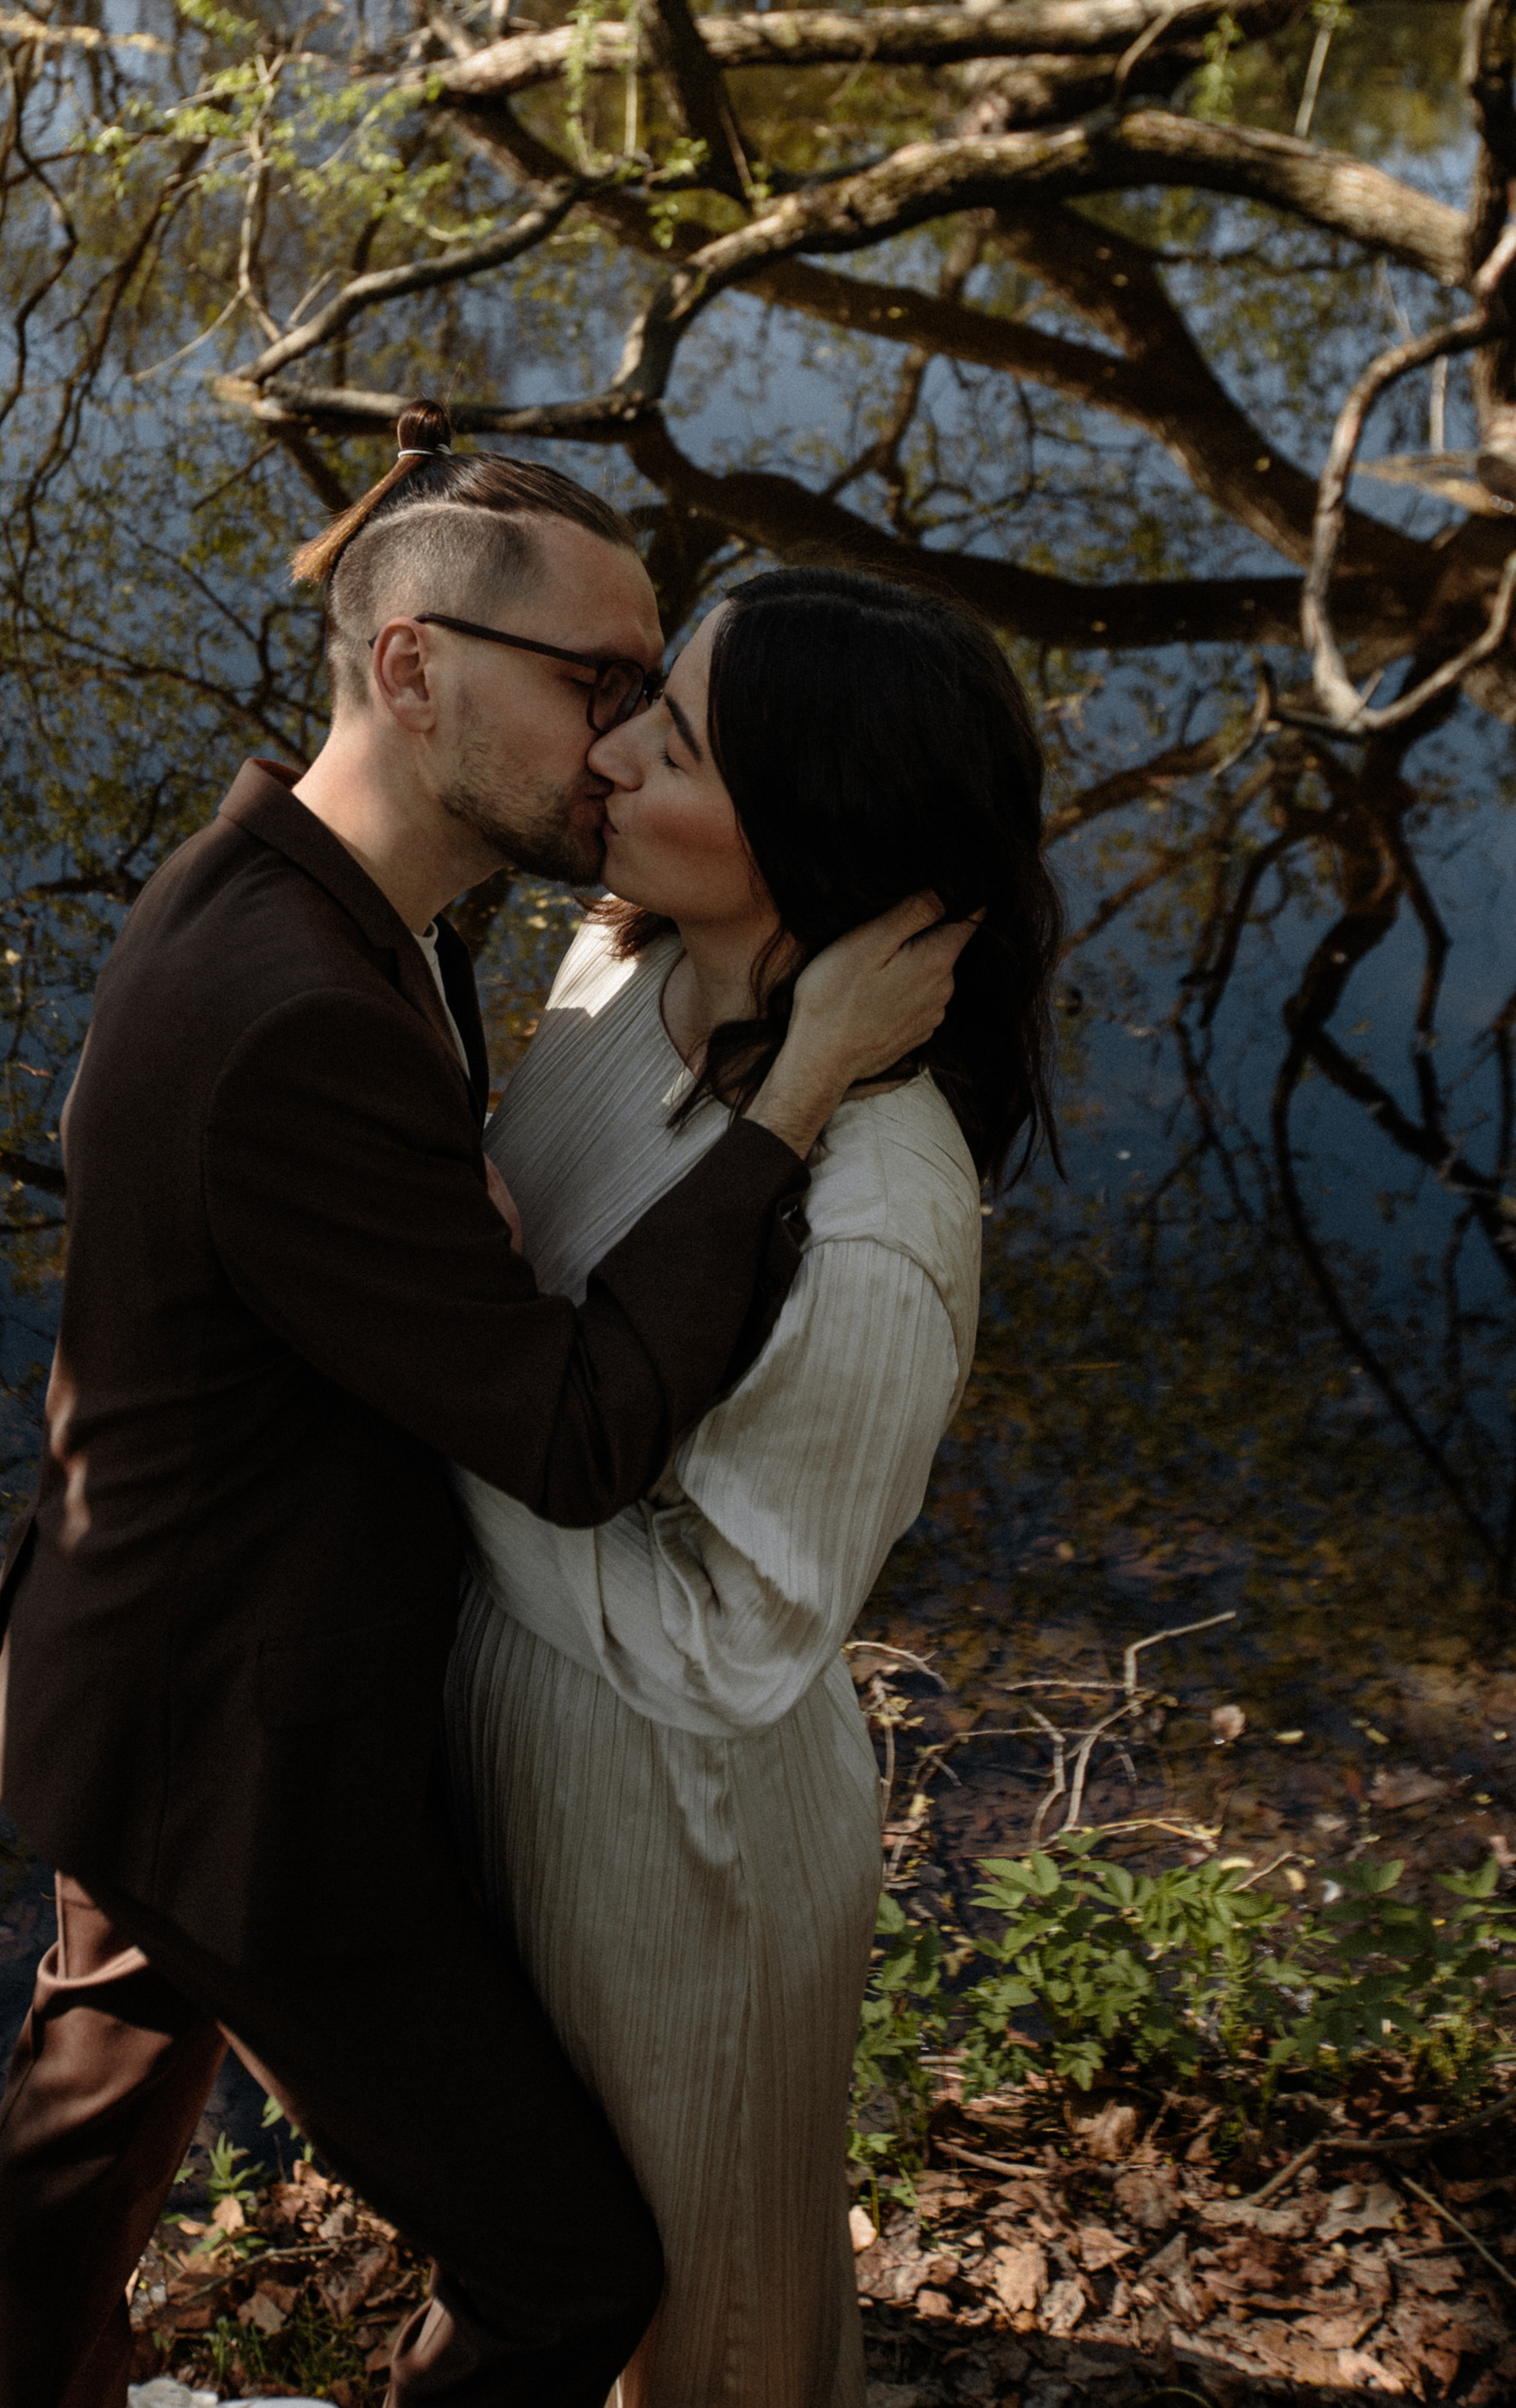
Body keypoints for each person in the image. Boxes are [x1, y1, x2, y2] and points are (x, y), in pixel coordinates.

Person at [0, 416, 974, 2408]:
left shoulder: (285, 887)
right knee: (566, 2269)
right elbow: (576, 1442)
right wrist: (788, 1088)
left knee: (87, 2121)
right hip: (242, 1747)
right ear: (411, 668)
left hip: (109, 1662)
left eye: (648, 701)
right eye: (593, 688)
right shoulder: (300, 1005)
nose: (615, 747)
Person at [445, 567, 1062, 2408]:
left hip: (678, 1833)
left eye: (674, 738)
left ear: (811, 835)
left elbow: (730, 1647)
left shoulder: (877, 1218)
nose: (605, 753)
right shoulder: (611, 969)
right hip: (516, 1733)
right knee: (563, 2260)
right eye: (637, 698)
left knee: (706, 2317)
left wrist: (429, 1427)